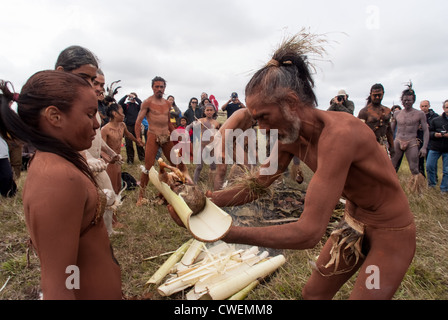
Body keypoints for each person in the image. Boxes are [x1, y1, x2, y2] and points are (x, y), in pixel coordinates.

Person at [168, 32, 416, 300]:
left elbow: (308, 233)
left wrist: (227, 233)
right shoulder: (290, 138)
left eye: (263, 117)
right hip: (352, 224)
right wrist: (202, 201)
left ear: (290, 103)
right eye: (255, 120)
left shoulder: (341, 135)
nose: (261, 128)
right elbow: (257, 186)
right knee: (312, 295)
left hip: (390, 230)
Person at [0, 71, 122, 299]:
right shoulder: (56, 179)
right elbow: (59, 286)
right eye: (89, 114)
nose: (97, 124)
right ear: (54, 116)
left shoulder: (62, 162)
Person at [134, 76, 191, 205]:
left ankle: (177, 191)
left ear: (164, 88)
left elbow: (168, 123)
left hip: (166, 136)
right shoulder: (147, 102)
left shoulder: (167, 104)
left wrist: (177, 134)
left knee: (177, 164)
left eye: (162, 87)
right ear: (152, 87)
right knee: (147, 167)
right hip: (153, 136)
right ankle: (140, 197)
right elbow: (138, 122)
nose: (159, 89)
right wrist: (138, 138)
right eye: (157, 87)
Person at [391, 84, 429, 190]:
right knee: (391, 167)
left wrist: (424, 147)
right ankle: (391, 187)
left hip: (411, 141)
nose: (407, 102)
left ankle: (417, 190)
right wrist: (389, 144)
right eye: (405, 100)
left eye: (409, 100)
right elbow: (391, 130)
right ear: (402, 100)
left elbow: (426, 131)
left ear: (413, 100)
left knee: (414, 168)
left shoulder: (419, 114)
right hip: (398, 140)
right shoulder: (397, 113)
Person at [101, 103, 143, 194]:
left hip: (118, 159)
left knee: (118, 185)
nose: (124, 115)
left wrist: (137, 141)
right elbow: (101, 149)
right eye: (122, 112)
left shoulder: (122, 125)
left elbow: (128, 135)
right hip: (108, 162)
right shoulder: (105, 129)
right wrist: (110, 159)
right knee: (111, 187)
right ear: (115, 114)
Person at [186, 104, 221, 188]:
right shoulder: (201, 120)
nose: (209, 112)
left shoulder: (216, 123)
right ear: (204, 111)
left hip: (212, 147)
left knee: (213, 167)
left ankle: (212, 184)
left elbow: (220, 133)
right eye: (207, 110)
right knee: (199, 166)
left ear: (214, 111)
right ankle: (194, 184)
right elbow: (189, 126)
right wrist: (186, 131)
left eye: (211, 110)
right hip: (203, 146)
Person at [357, 83, 395, 157]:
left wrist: (392, 146)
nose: (377, 97)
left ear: (383, 94)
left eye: (379, 95)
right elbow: (359, 132)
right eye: (375, 95)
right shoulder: (364, 112)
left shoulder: (387, 111)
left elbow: (389, 130)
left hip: (383, 144)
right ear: (370, 94)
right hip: (368, 145)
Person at [426, 100, 448, 193]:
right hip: (435, 147)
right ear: (443, 108)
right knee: (429, 166)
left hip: (447, 149)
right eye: (447, 107)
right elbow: (429, 133)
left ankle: (444, 189)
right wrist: (435, 134)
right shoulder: (436, 120)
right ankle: (432, 185)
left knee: (447, 171)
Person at [118, 93, 145, 164]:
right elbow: (119, 103)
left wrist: (135, 98)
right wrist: (126, 96)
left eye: (133, 97)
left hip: (137, 125)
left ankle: (142, 157)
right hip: (128, 126)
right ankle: (130, 160)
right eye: (131, 97)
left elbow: (142, 105)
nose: (132, 98)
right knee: (129, 143)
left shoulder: (137, 106)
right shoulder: (126, 105)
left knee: (139, 141)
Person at [417, 100, 439, 177]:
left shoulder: (435, 116)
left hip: (431, 141)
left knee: (431, 163)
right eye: (422, 106)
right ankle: (421, 178)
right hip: (419, 140)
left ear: (429, 106)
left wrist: (429, 127)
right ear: (420, 107)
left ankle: (433, 179)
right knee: (419, 162)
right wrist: (417, 127)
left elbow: (438, 128)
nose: (424, 108)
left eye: (426, 106)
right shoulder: (417, 115)